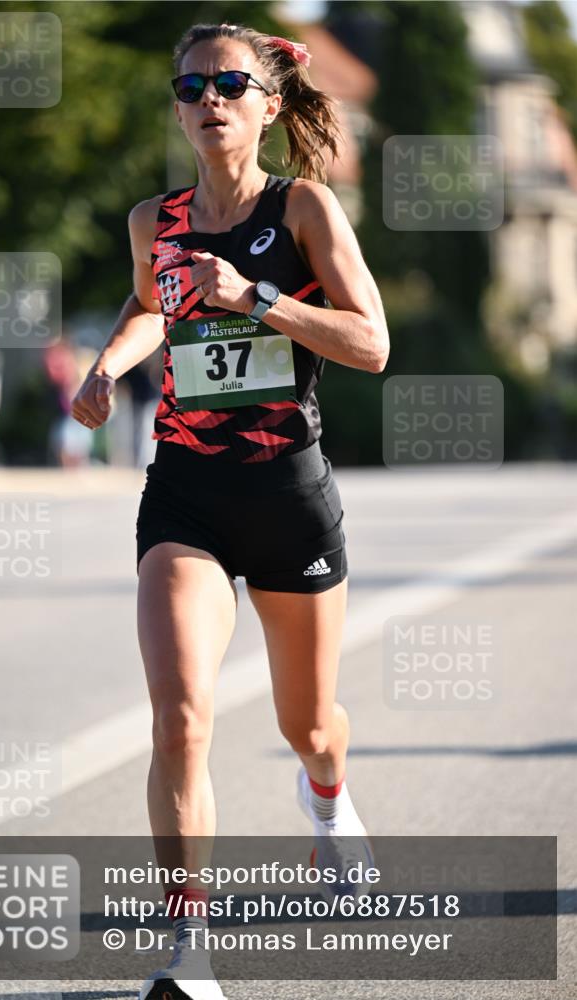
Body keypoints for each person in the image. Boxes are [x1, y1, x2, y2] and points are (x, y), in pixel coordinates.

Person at [71, 21, 389, 1000]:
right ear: (177, 105)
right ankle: (190, 948)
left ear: (264, 104)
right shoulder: (151, 222)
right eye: (190, 84)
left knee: (310, 727)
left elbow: (371, 342)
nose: (206, 97)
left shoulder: (304, 210)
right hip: (188, 493)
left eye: (227, 83)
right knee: (182, 718)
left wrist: (258, 298)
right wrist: (107, 365)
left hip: (287, 493)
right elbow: (148, 306)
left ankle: (328, 804)